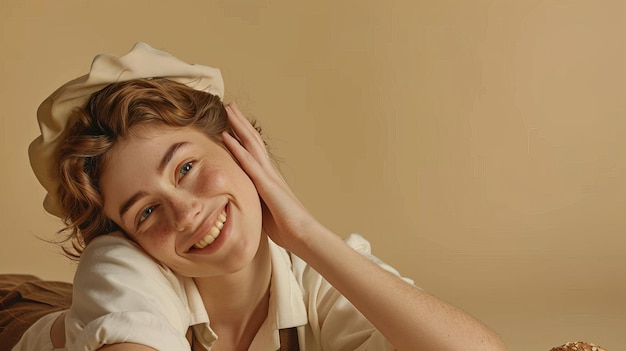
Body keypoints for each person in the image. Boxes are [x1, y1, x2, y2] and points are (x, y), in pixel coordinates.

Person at [12, 42, 508, 351]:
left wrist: (307, 234)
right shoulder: (121, 268)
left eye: (186, 167)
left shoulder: (310, 270)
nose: (185, 214)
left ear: (243, 146)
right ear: (127, 239)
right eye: (145, 212)